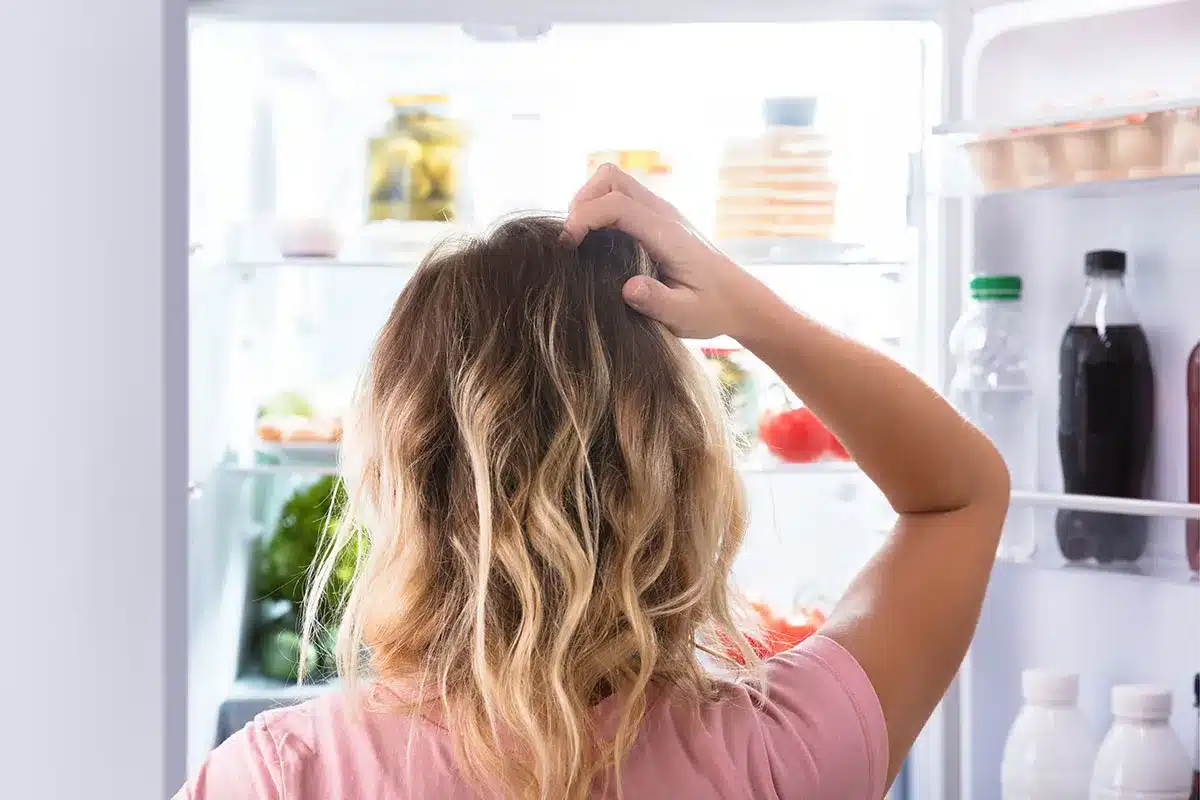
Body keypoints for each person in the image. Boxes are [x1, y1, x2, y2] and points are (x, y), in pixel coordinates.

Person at [178, 166, 1009, 800]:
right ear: (681, 470)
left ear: (398, 471)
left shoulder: (283, 775)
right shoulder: (779, 752)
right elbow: (960, 497)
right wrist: (746, 308)